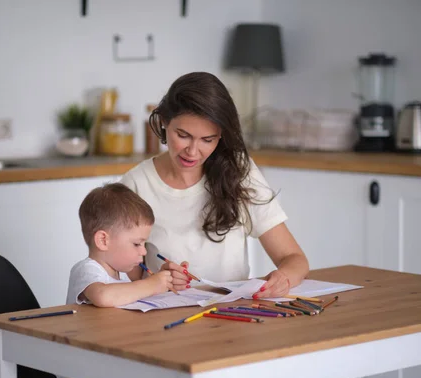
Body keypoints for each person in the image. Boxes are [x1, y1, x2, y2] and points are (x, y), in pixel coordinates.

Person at [121, 72, 309, 299]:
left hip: (233, 314)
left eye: (207, 140)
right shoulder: (136, 184)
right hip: (166, 316)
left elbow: (294, 259)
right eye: (183, 135)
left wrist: (283, 278)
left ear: (221, 136)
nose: (192, 151)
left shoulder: (238, 170)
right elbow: (133, 274)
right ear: (164, 123)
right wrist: (157, 279)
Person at [51, 182, 172, 378]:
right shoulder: (87, 270)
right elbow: (105, 296)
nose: (144, 251)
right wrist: (151, 285)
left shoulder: (122, 278)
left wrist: (164, 284)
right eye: (137, 244)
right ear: (103, 240)